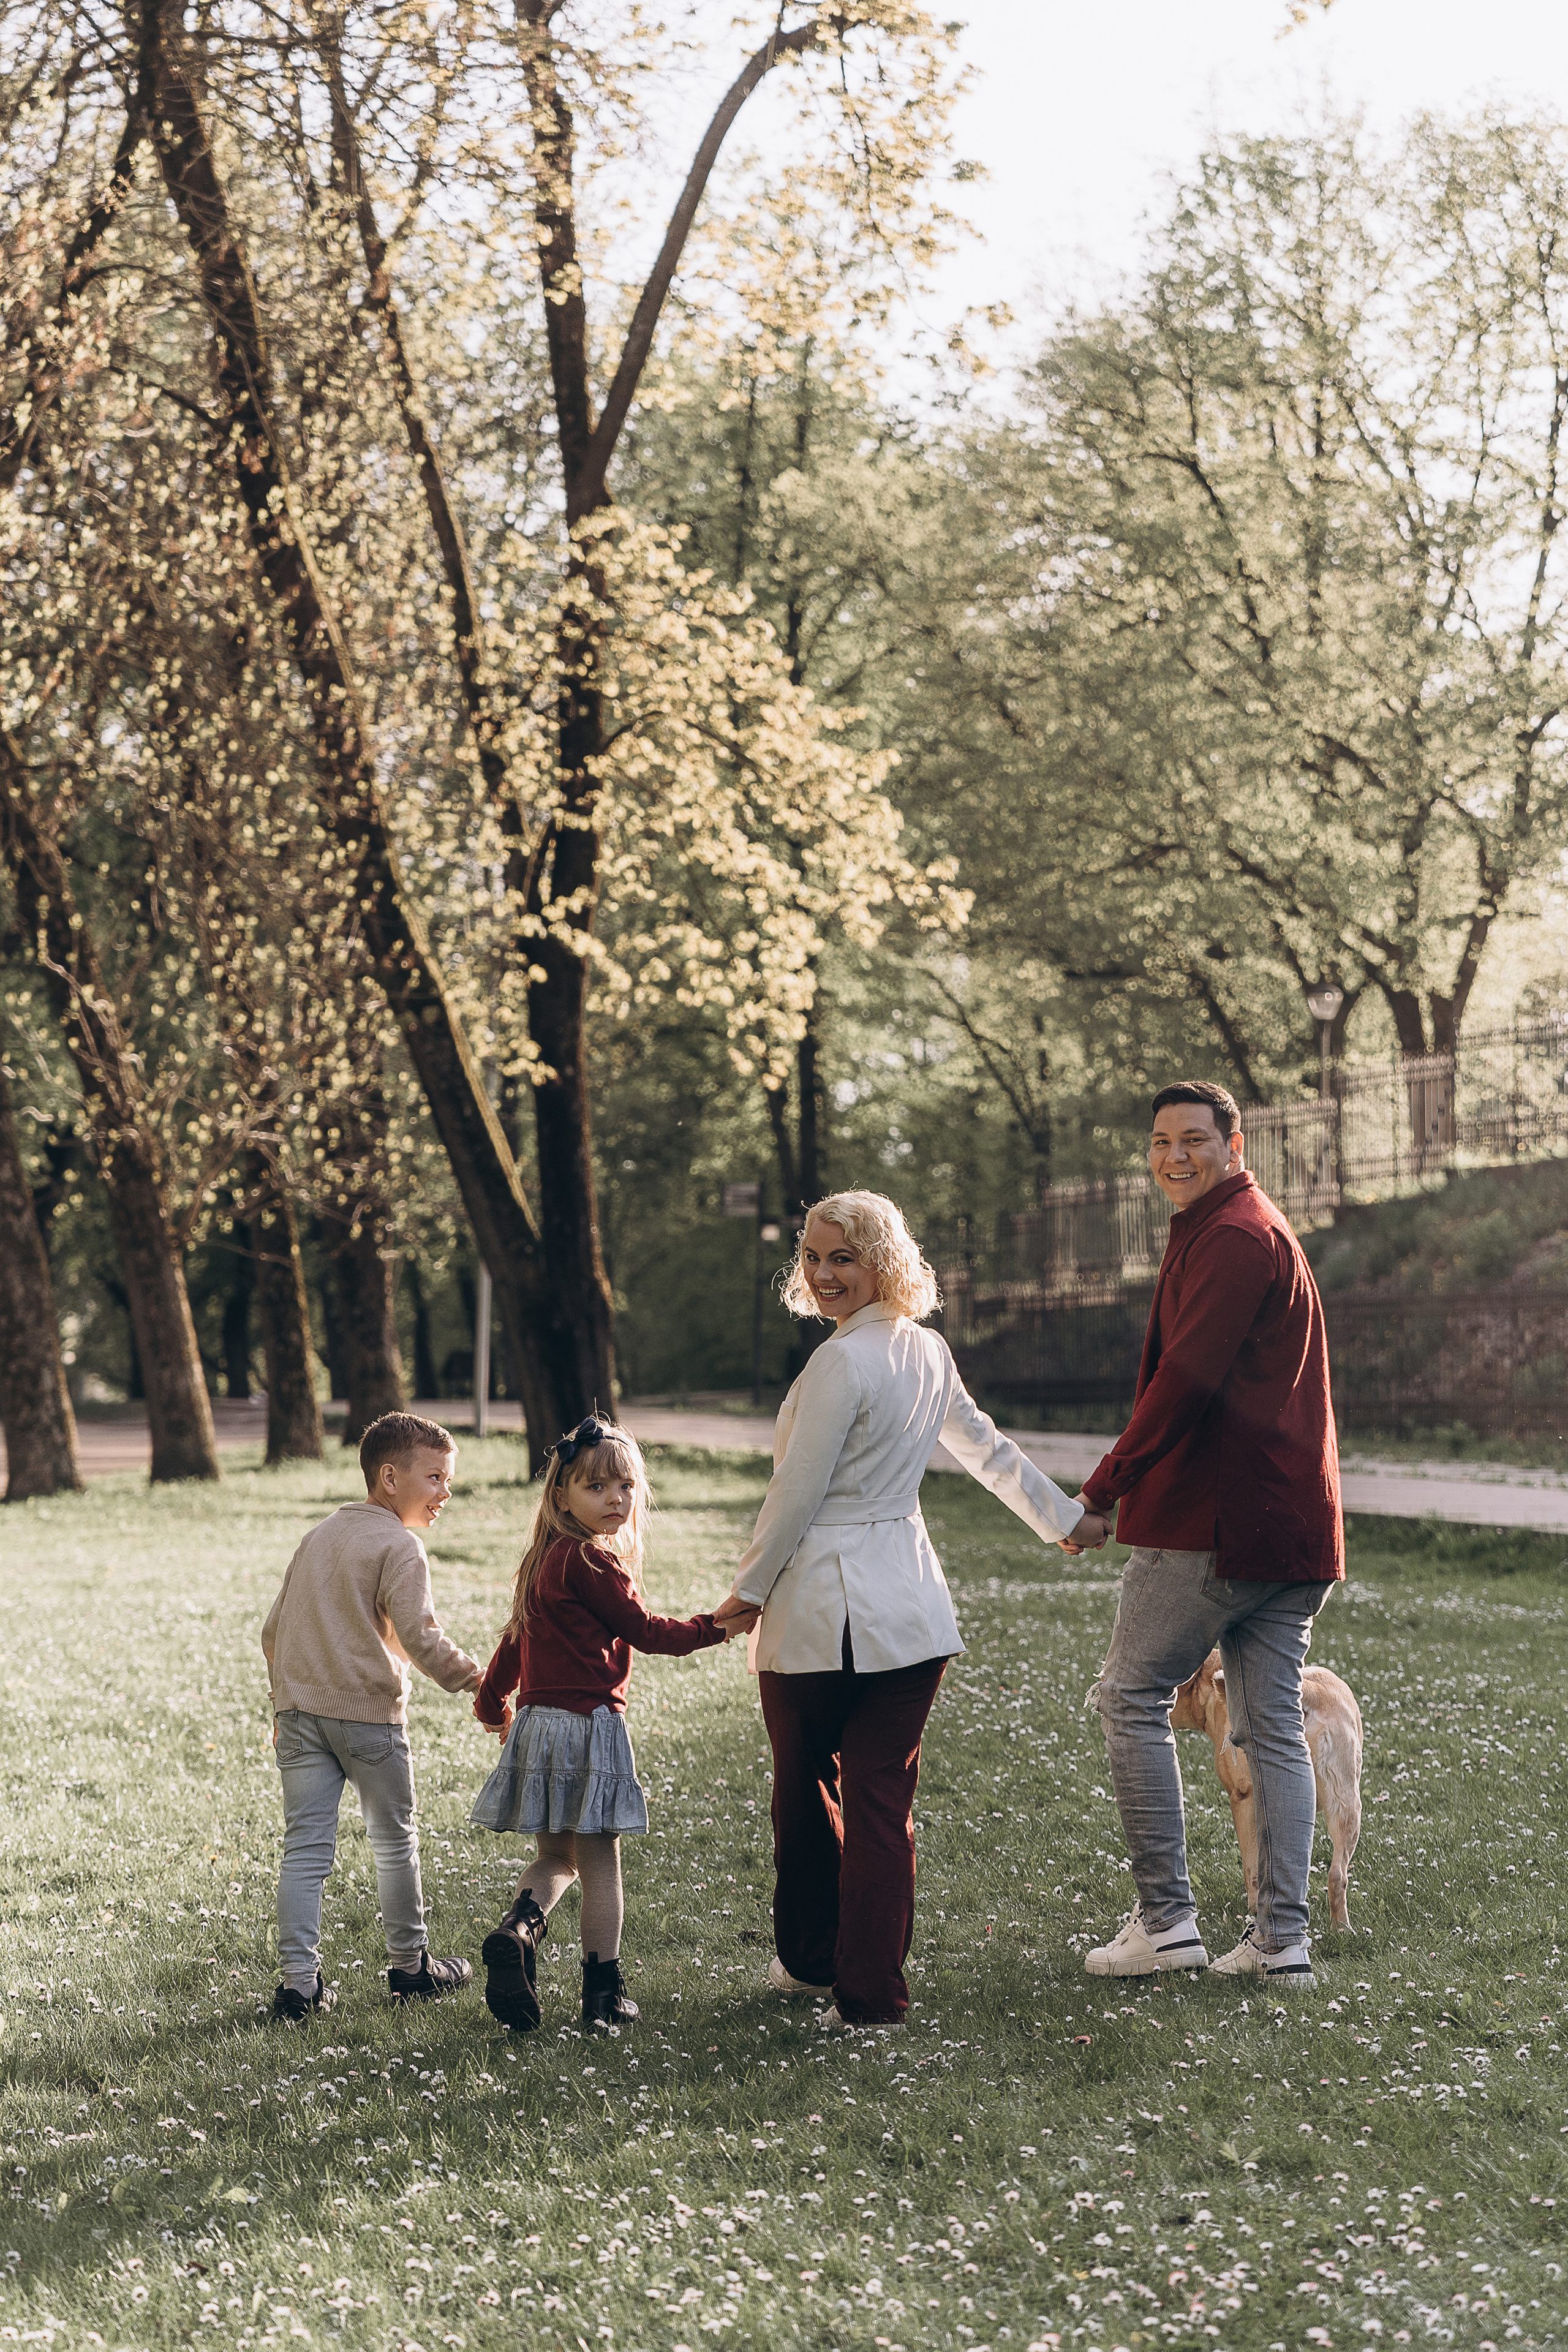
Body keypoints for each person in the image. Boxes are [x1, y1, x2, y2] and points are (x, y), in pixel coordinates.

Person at [714, 1189, 1108, 2030]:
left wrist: (747, 1592)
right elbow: (987, 1449)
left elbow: (796, 1493)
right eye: (814, 1258)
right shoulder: (927, 1350)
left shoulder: (841, 1364)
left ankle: (821, 1965)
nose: (823, 1274)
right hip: (913, 1615)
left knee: (807, 1794)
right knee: (881, 1806)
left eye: (843, 1258)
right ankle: (866, 1996)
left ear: (883, 1262)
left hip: (825, 1615)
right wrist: (1065, 1522)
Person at [1074, 1080, 1344, 1991]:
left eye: (1194, 1139)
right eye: (1159, 1141)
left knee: (1129, 1697)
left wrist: (1106, 1489)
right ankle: (1281, 1943)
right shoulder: (1236, 1225)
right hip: (1289, 1528)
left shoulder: (1233, 1237)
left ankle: (1167, 1922)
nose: (1173, 1156)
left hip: (1224, 1524)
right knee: (1272, 1729)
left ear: (1236, 1144)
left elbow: (1185, 1384)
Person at [471, 1416, 738, 2033]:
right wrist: (717, 1626)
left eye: (624, 1486)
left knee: (553, 1858)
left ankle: (519, 1930)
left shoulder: (542, 1562)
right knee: (599, 1864)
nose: (615, 1498)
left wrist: (492, 1705)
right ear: (562, 1496)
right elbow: (646, 1631)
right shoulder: (592, 1561)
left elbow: (513, 1645)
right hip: (588, 1728)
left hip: (537, 1726)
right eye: (597, 1488)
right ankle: (603, 1995)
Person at [262, 1411, 482, 2021]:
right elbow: (420, 1637)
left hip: (301, 1716)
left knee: (304, 1851)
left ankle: (298, 1988)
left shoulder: (320, 1534)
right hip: (368, 1723)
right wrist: (477, 1681)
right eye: (434, 1477)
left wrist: (284, 1702)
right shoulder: (399, 1544)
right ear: (390, 1478)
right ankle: (411, 1969)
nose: (445, 1492)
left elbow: (272, 1631)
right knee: (393, 1843)